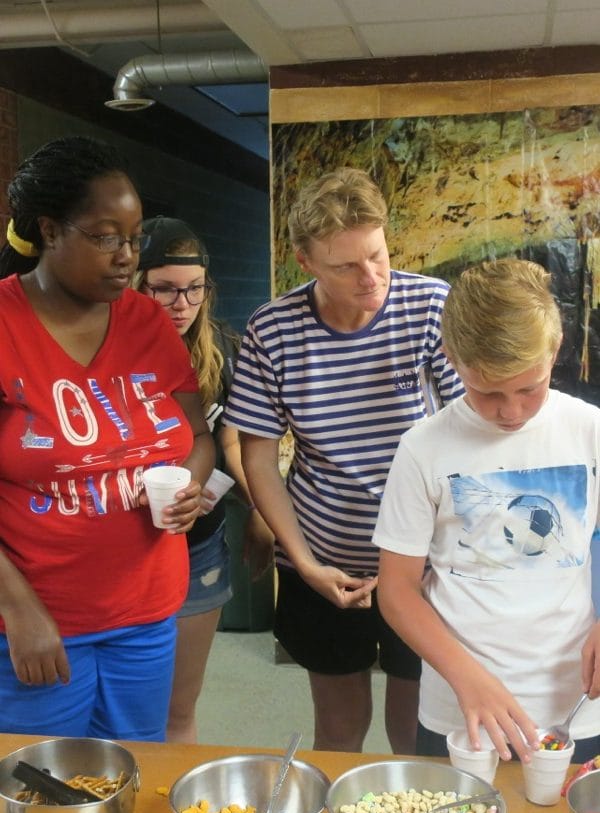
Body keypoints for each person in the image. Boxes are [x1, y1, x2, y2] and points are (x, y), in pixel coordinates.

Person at [224, 167, 464, 753]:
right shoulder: (273, 329)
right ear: (305, 261)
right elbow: (259, 458)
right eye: (346, 266)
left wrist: (444, 551)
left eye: (377, 255)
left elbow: (469, 432)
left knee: (415, 726)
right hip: (324, 552)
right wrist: (305, 564)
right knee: (338, 726)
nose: (370, 277)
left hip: (422, 558)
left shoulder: (430, 304)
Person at [0, 136, 215, 741]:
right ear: (49, 230)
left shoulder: (147, 322)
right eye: (105, 237)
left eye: (134, 238)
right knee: (42, 784)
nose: (126, 257)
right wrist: (17, 608)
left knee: (134, 770)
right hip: (37, 619)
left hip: (146, 613)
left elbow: (198, 435)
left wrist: (191, 485)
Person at [374, 257, 600, 764]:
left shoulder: (590, 431)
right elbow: (397, 590)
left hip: (577, 704)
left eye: (529, 389)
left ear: (555, 350)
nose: (511, 412)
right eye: (488, 392)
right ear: (452, 358)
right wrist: (467, 678)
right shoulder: (423, 448)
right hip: (461, 710)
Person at [135, 216, 274, 743]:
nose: (182, 304)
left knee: (179, 709)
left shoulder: (223, 350)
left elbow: (231, 445)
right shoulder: (111, 349)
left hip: (198, 545)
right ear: (137, 283)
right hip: (124, 546)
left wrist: (260, 511)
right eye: (165, 289)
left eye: (194, 288)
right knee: (124, 707)